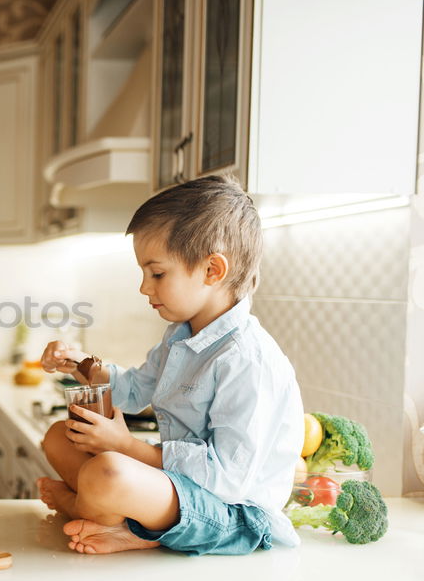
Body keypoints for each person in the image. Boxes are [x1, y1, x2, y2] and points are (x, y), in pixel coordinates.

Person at [37, 175, 303, 556]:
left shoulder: (245, 359)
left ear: (213, 270)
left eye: (157, 273)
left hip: (232, 515)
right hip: (179, 489)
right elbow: (131, 390)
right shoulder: (181, 337)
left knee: (107, 472)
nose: (145, 287)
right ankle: (114, 520)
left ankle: (108, 520)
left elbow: (226, 478)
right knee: (59, 437)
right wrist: (78, 361)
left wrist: (127, 446)